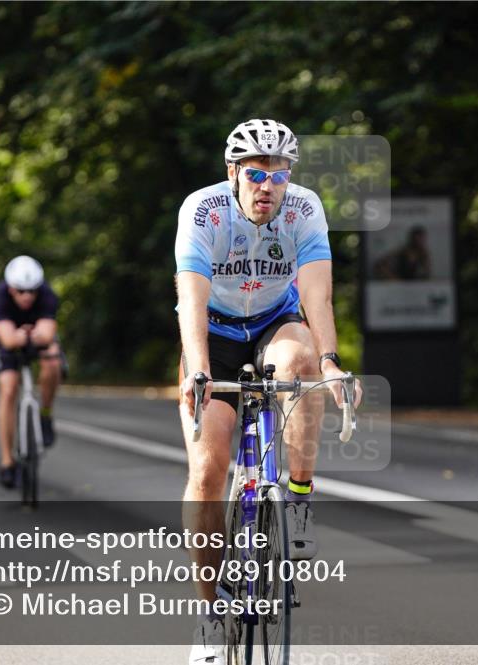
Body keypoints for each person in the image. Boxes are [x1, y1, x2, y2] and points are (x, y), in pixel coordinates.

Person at [175, 118, 361, 664]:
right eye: (256, 174)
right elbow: (191, 299)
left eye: (278, 175)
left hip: (275, 324)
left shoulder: (304, 209)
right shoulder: (203, 211)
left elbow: (316, 295)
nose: (267, 187)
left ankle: (298, 500)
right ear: (233, 173)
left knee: (302, 363)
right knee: (208, 472)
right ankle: (210, 615)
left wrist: (331, 363)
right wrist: (199, 372)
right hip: (214, 331)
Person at [0, 255, 62, 489]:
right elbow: (7, 338)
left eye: (32, 291)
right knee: (8, 388)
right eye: (21, 291)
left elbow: (47, 333)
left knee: (53, 363)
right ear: (11, 289)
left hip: (34, 337)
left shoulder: (48, 296)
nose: (27, 296)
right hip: (9, 341)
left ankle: (46, 414)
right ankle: (6, 461)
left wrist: (32, 335)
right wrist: (21, 335)